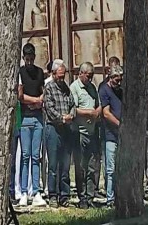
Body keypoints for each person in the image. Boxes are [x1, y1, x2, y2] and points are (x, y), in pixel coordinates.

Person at [18, 43, 47, 207]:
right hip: (25, 118)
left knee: (36, 156)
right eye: (26, 59)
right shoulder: (20, 72)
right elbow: (20, 96)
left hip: (37, 117)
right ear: (23, 58)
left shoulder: (39, 72)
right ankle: (23, 191)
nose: (29, 62)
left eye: (31, 59)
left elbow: (43, 92)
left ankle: (35, 191)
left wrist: (39, 101)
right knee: (25, 156)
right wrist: (35, 100)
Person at [43, 60, 75, 208]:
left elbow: (73, 104)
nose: (62, 79)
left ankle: (64, 195)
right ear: (53, 74)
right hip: (53, 129)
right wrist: (62, 118)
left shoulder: (66, 88)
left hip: (66, 129)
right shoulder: (49, 88)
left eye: (64, 76)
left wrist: (71, 115)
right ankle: (53, 195)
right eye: (59, 76)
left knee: (65, 164)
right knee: (53, 165)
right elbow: (50, 109)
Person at [70, 62, 101, 209]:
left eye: (92, 76)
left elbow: (98, 104)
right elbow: (73, 110)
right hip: (79, 133)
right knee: (81, 167)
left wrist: (97, 112)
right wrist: (89, 112)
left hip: (93, 132)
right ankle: (82, 197)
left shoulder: (92, 87)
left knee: (92, 166)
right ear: (81, 73)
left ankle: (90, 196)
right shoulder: (74, 87)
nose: (90, 78)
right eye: (88, 76)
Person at [100, 65, 123, 207]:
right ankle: (110, 198)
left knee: (121, 167)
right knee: (111, 168)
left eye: (120, 80)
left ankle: (120, 195)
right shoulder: (104, 90)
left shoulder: (120, 91)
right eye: (116, 80)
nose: (118, 83)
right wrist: (120, 125)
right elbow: (106, 113)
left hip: (121, 135)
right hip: (110, 134)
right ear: (110, 77)